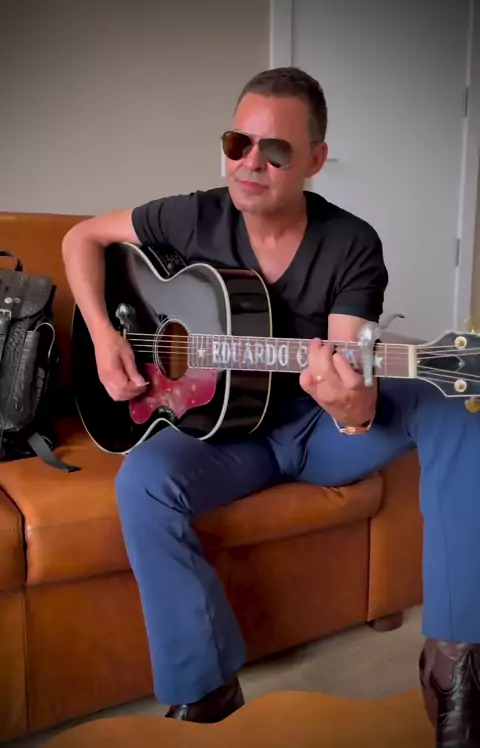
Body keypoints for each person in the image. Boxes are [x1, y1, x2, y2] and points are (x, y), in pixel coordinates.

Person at [62, 67, 480, 746]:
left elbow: (350, 376)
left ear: (315, 159)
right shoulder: (192, 216)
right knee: (142, 483)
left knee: (450, 408)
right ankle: (205, 687)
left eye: (276, 150)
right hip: (225, 434)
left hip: (318, 431)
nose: (250, 163)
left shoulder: (351, 243)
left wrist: (350, 407)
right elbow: (81, 237)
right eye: (238, 143)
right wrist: (106, 335)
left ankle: (456, 666)